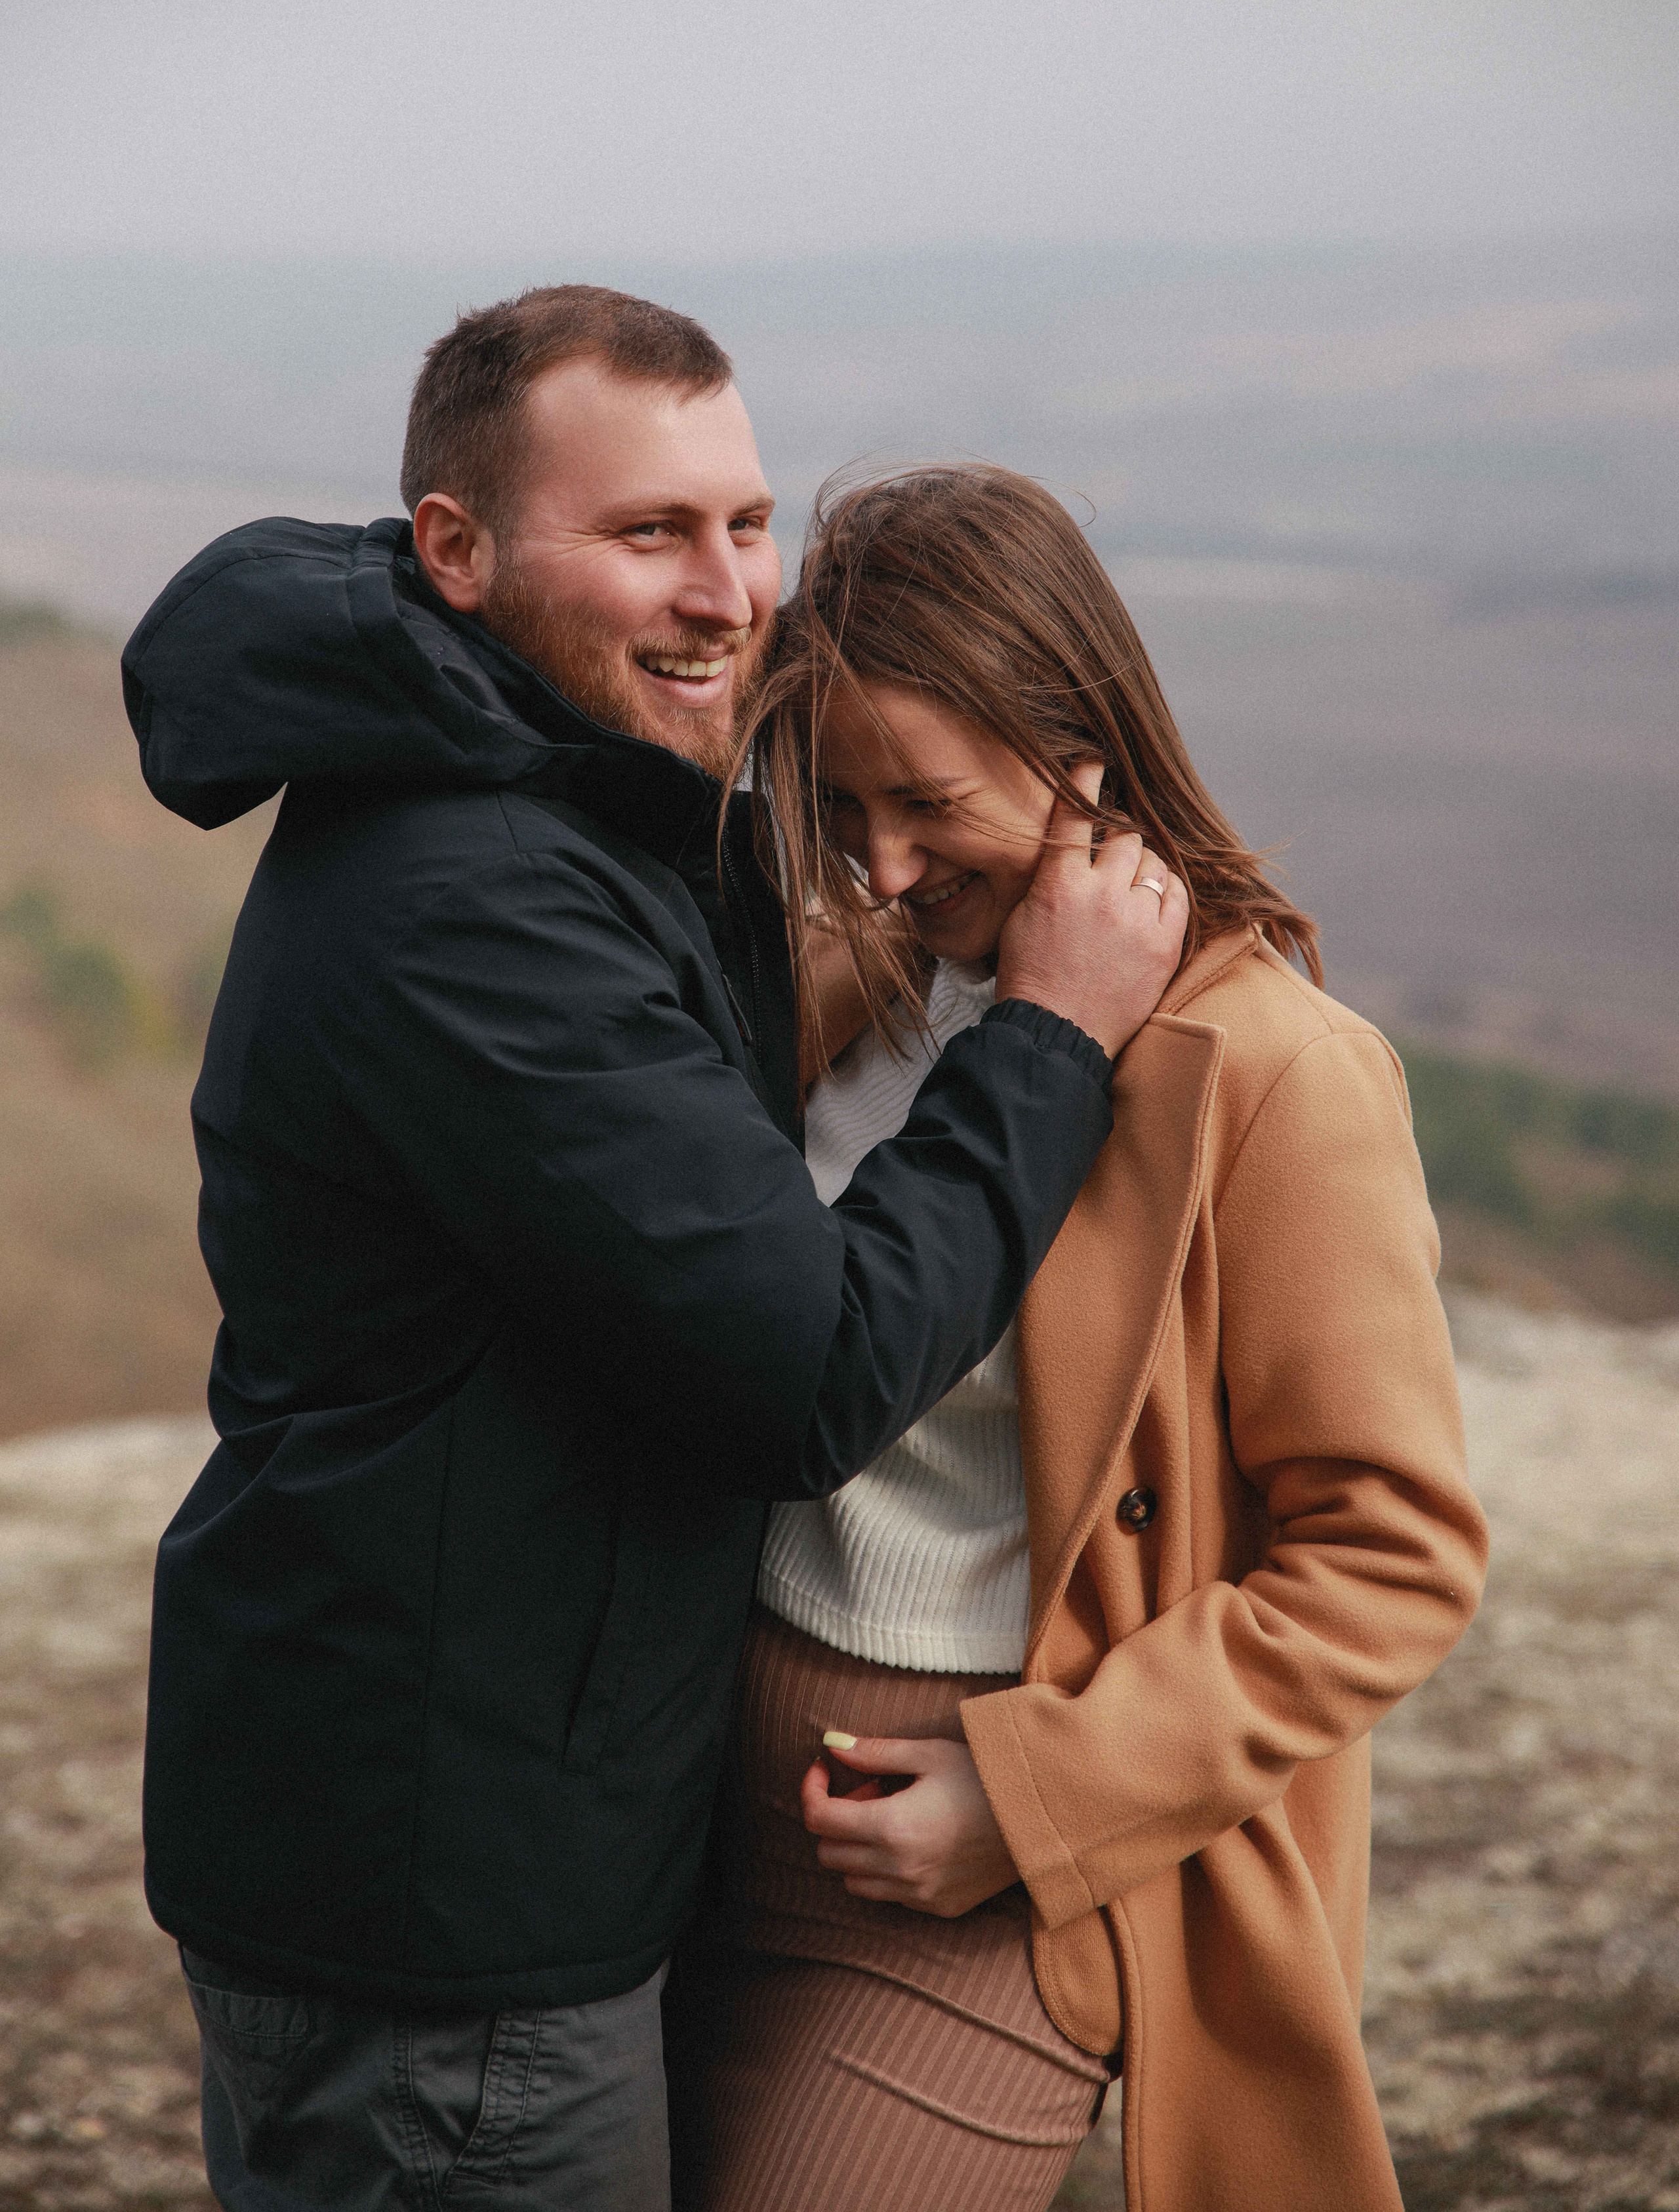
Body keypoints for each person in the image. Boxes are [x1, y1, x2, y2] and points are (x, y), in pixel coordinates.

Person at [121, 289, 1187, 2212]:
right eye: (647, 535)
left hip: (477, 1835)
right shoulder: (474, 900)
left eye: (745, 522)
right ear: (452, 549)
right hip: (446, 1922)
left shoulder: (542, 794)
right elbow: (810, 1369)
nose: (726, 593)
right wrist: (1046, 1040)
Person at [668, 465, 1491, 2212]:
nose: (879, 864)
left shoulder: (1269, 1074)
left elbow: (1395, 1561)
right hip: (679, 1858)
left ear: (1083, 754)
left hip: (967, 1910)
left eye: (928, 803)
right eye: (839, 801)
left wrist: (1034, 1804)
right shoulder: (844, 987)